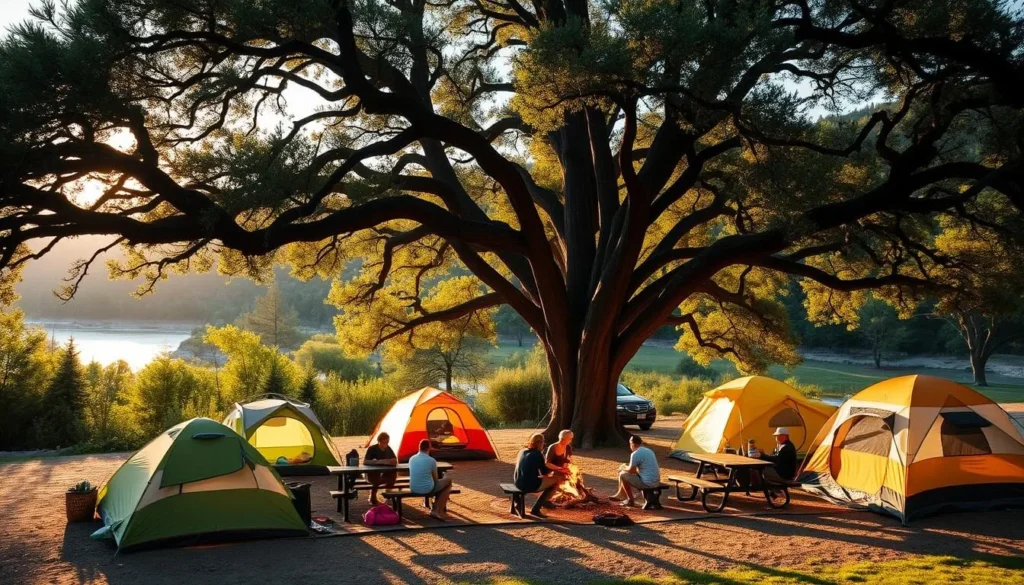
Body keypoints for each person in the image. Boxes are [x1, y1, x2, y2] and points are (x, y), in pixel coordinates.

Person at [514, 433, 564, 517]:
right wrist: (557, 468)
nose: (543, 445)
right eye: (543, 442)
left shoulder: (522, 451)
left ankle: (521, 502)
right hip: (530, 485)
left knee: (536, 479)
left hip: (518, 482)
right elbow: (544, 472)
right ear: (539, 443)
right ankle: (537, 508)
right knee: (556, 481)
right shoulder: (537, 454)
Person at [408, 439, 453, 521]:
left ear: (419, 447)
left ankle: (436, 508)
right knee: (448, 481)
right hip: (427, 488)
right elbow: (435, 479)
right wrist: (444, 476)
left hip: (413, 488)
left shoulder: (412, 459)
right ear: (429, 448)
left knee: (443, 486)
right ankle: (436, 509)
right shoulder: (431, 460)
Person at [610, 435, 661, 507]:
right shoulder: (649, 451)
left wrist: (623, 467)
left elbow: (631, 471)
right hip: (655, 480)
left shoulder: (635, 454)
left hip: (647, 483)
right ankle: (621, 494)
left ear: (632, 444)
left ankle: (630, 500)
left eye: (630, 444)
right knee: (624, 473)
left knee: (622, 474)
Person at [364, 432, 398, 505]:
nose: (385, 444)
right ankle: (373, 497)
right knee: (376, 476)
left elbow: (395, 460)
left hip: (384, 473)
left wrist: (389, 461)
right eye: (383, 442)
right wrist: (378, 462)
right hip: (371, 473)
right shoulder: (372, 449)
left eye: (387, 442)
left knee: (393, 474)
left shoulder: (388, 449)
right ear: (379, 441)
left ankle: (388, 495)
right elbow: (365, 462)